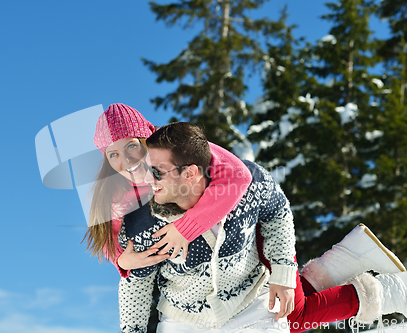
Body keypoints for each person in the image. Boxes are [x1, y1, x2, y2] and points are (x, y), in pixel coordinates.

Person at [85, 104, 406, 332]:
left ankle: (380, 292)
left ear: (147, 137)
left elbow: (239, 175)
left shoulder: (181, 150)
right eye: (113, 154)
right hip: (224, 275)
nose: (125, 160)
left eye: (131, 146)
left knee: (291, 318)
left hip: (258, 235)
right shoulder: (123, 200)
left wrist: (185, 228)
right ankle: (339, 263)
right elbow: (118, 245)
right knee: (277, 314)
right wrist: (123, 262)